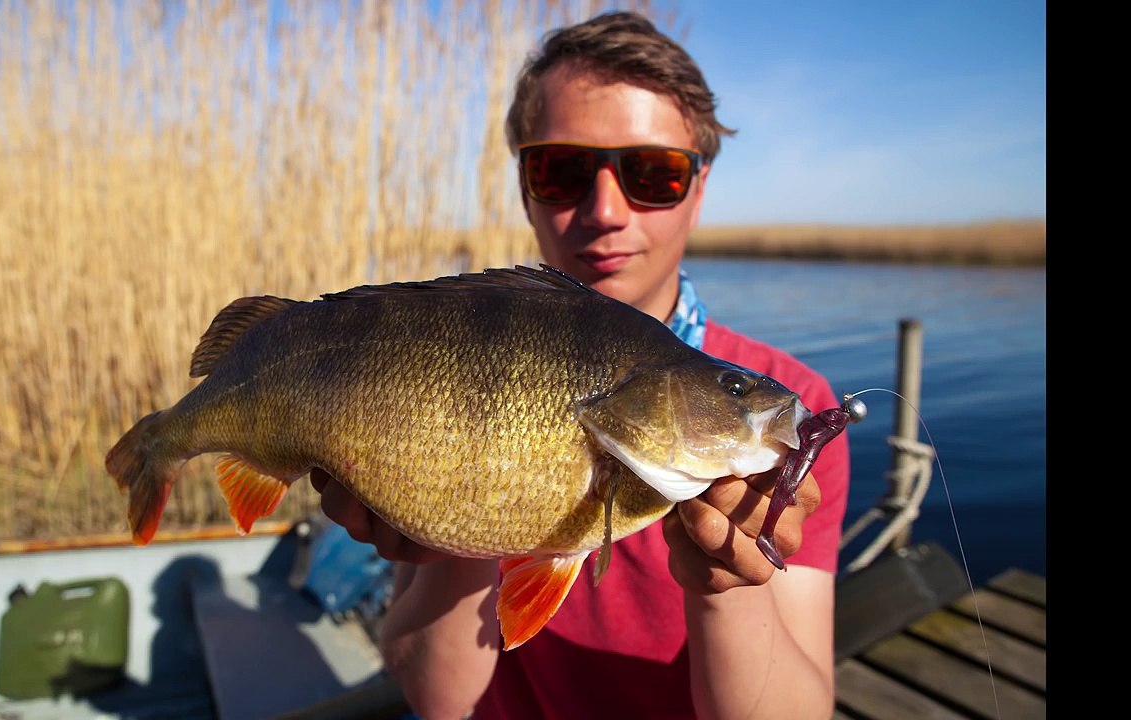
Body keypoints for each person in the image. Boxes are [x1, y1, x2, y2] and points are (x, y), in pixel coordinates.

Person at [310, 10, 849, 719]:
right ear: (526, 185)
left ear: (700, 188)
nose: (605, 210)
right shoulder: (443, 355)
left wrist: (724, 585)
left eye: (653, 174)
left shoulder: (795, 402)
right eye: (561, 169)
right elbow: (436, 698)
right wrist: (469, 513)